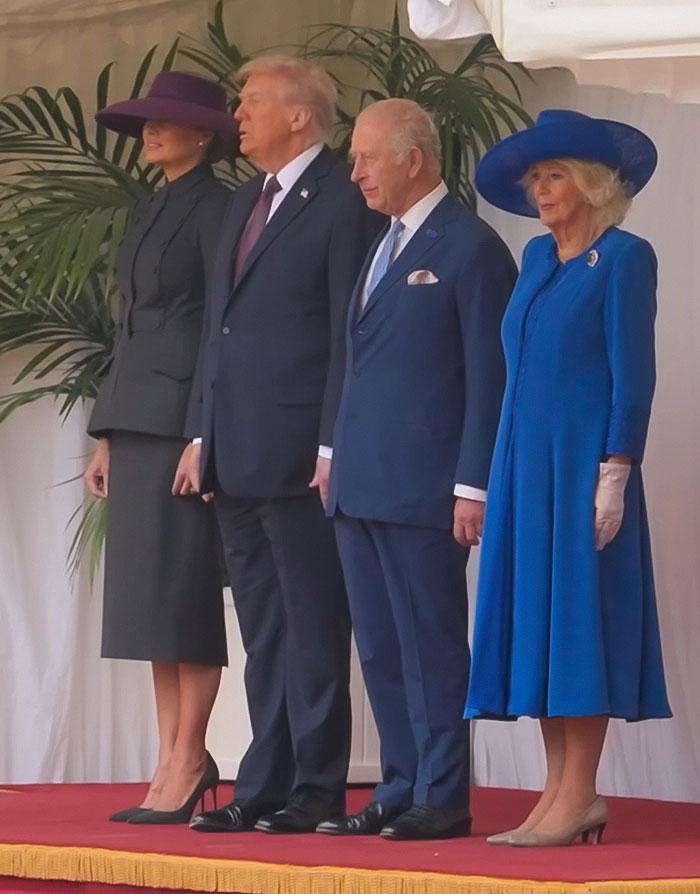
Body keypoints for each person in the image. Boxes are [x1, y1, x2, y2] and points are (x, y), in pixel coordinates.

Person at [183, 56, 384, 835]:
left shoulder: (342, 199)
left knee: (312, 626)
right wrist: (200, 432)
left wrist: (332, 443)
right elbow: (219, 328)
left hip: (301, 453)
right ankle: (263, 783)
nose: (238, 114)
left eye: (253, 101)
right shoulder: (245, 200)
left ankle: (317, 787)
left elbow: (348, 335)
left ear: (300, 116)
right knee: (264, 632)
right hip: (233, 451)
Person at [465, 109, 672, 847]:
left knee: (579, 625)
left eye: (554, 175)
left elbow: (633, 377)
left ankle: (580, 792)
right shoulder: (535, 257)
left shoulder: (624, 257)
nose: (541, 189)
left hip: (583, 464)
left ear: (591, 183)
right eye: (534, 178)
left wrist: (616, 470)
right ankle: (556, 793)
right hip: (524, 464)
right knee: (540, 627)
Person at [315, 99, 517, 841]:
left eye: (368, 157)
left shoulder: (470, 246)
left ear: (414, 158)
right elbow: (357, 361)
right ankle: (400, 785)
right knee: (379, 646)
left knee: (430, 643)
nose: (356, 173)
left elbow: (489, 375)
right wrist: (331, 454)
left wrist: (472, 483)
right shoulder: (382, 243)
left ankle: (442, 792)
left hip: (425, 486)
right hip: (360, 482)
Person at [85, 71, 237, 824]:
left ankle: (190, 754)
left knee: (184, 591)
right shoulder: (147, 208)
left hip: (182, 422)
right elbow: (131, 326)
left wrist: (203, 431)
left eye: (165, 120)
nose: (149, 130)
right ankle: (170, 753)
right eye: (146, 120)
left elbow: (220, 328)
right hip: (137, 420)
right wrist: (107, 432)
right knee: (149, 600)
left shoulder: (221, 207)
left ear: (203, 134)